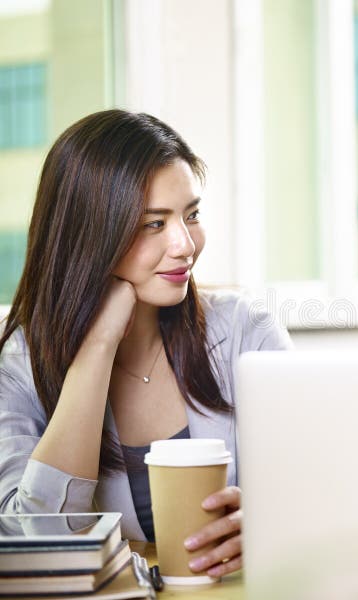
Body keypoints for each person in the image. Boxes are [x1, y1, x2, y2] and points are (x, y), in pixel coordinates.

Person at [0, 109, 291, 578]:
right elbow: (32, 542)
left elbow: (317, 486)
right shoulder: (17, 364)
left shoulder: (244, 330)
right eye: (153, 224)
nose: (185, 245)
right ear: (89, 236)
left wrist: (271, 521)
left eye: (190, 215)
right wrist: (97, 346)